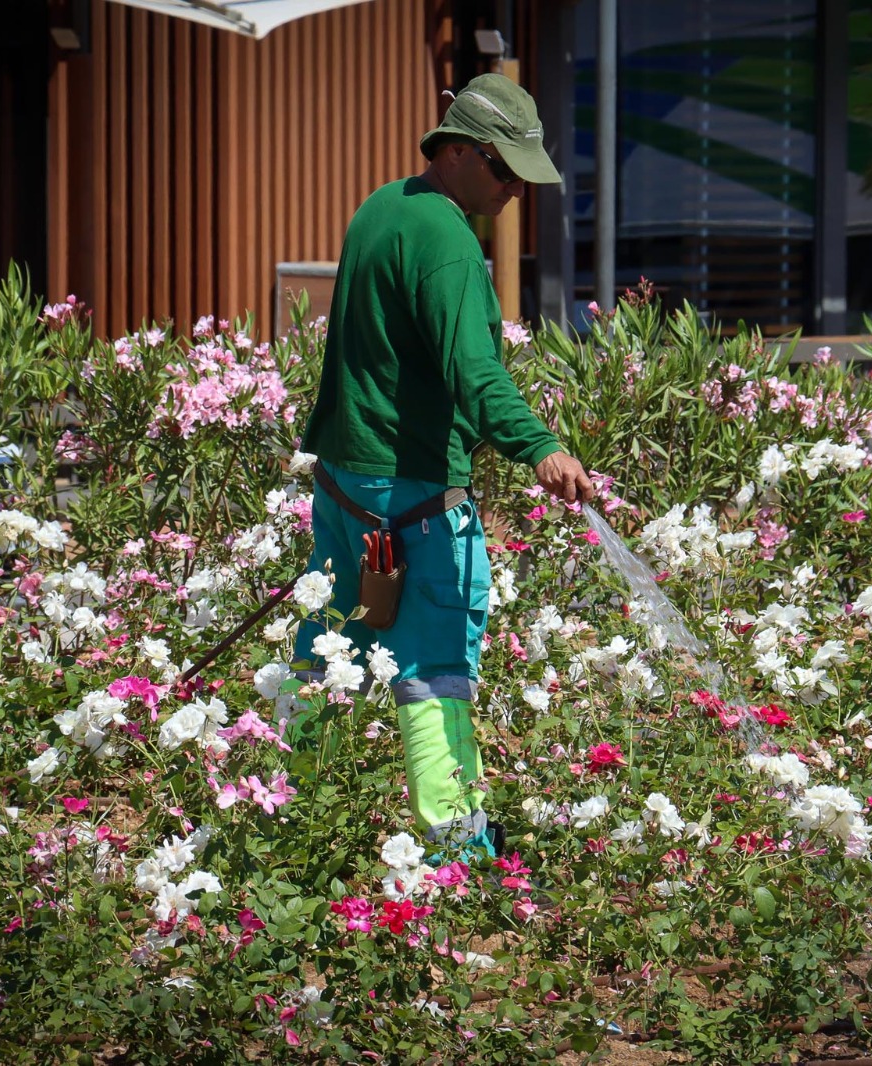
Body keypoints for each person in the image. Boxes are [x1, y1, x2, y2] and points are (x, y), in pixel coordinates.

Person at [284, 73, 595, 860]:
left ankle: (288, 819)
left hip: (346, 484)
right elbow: (475, 372)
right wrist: (540, 446)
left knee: (328, 649)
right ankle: (460, 860)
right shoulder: (450, 245)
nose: (514, 192)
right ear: (457, 151)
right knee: (433, 673)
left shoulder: (381, 210)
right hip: (417, 496)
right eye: (504, 170)